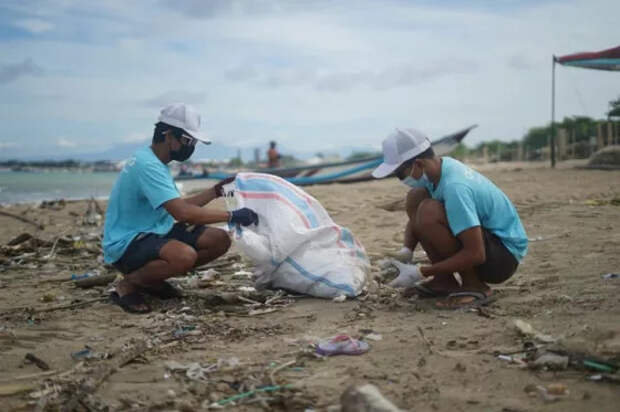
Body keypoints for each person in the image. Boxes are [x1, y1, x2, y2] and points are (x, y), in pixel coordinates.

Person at [103, 103, 259, 314]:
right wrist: (232, 215)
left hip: (155, 230)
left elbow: (178, 206)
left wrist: (215, 191)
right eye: (187, 140)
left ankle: (151, 280)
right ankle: (129, 284)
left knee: (218, 240)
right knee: (183, 256)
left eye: (193, 141)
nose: (191, 146)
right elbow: (183, 214)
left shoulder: (156, 162)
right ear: (168, 135)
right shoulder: (147, 165)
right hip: (127, 243)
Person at [372, 128, 528, 309]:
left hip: (503, 257)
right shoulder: (438, 171)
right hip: (488, 245)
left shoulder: (455, 187)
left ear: (418, 164)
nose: (400, 179)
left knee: (429, 211)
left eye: (400, 173)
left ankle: (475, 286)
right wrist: (407, 250)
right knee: (416, 197)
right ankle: (443, 281)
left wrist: (421, 272)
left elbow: (476, 253)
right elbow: (416, 216)